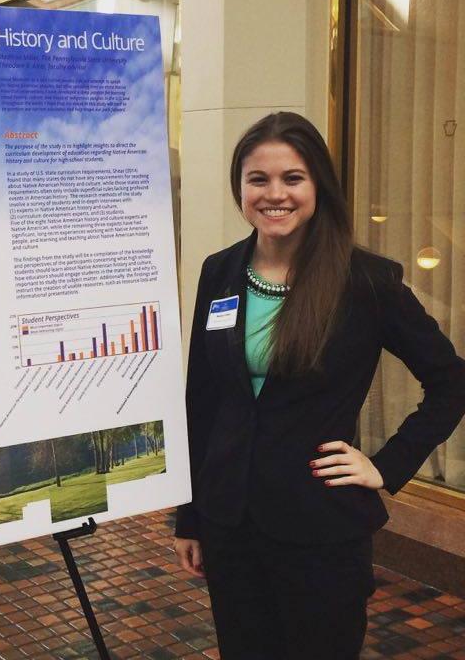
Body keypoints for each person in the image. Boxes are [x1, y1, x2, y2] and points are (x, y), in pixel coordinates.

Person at [173, 111, 465, 660]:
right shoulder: (220, 272)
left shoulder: (365, 281)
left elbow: (451, 382)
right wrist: (189, 516)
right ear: (240, 187)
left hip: (319, 529)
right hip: (229, 524)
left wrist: (387, 465)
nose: (274, 194)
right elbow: (203, 401)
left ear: (318, 186)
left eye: (293, 178)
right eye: (258, 179)